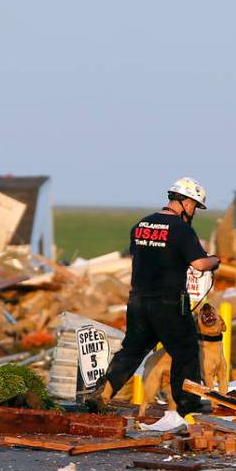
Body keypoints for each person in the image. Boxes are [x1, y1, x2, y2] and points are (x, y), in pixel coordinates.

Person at [86, 177, 220, 415]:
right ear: (187, 203)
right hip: (169, 302)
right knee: (186, 349)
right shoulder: (182, 230)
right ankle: (187, 404)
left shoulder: (141, 225)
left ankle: (102, 393)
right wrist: (215, 261)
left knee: (132, 350)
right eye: (195, 207)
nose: (194, 212)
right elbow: (199, 264)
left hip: (138, 301)